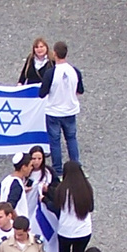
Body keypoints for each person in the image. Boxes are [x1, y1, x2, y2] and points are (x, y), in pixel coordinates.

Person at [39, 39, 84, 171]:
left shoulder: (51, 73)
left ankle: (57, 169)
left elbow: (42, 93)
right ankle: (76, 167)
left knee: (55, 142)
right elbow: (80, 90)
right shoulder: (75, 71)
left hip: (54, 111)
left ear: (55, 53)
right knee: (71, 139)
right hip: (70, 110)